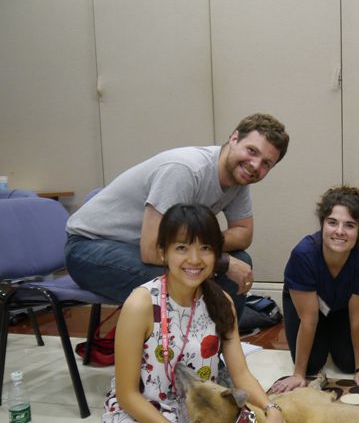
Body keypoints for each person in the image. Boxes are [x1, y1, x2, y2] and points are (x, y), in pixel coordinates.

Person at [6, 204, 292, 423]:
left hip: (193, 420)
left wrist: (271, 410)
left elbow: (241, 374)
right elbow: (127, 396)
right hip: (139, 418)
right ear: (163, 252)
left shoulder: (220, 302)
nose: (194, 259)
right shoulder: (141, 304)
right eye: (182, 248)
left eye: (205, 248)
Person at [65, 113, 290, 317]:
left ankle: (220, 343)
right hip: (89, 248)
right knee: (188, 277)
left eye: (266, 163)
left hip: (138, 248)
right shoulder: (185, 170)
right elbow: (152, 250)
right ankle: (186, 346)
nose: (255, 165)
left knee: (240, 260)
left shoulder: (239, 179)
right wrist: (218, 259)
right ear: (233, 139)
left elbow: (243, 234)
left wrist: (205, 249)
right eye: (252, 151)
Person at [270, 186, 359, 393]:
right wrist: (298, 374)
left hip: (342, 308)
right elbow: (309, 319)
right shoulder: (303, 254)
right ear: (322, 224)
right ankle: (324, 337)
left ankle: (333, 334)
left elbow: (357, 319)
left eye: (349, 225)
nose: (339, 231)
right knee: (311, 365)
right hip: (308, 307)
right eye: (332, 222)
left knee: (348, 363)